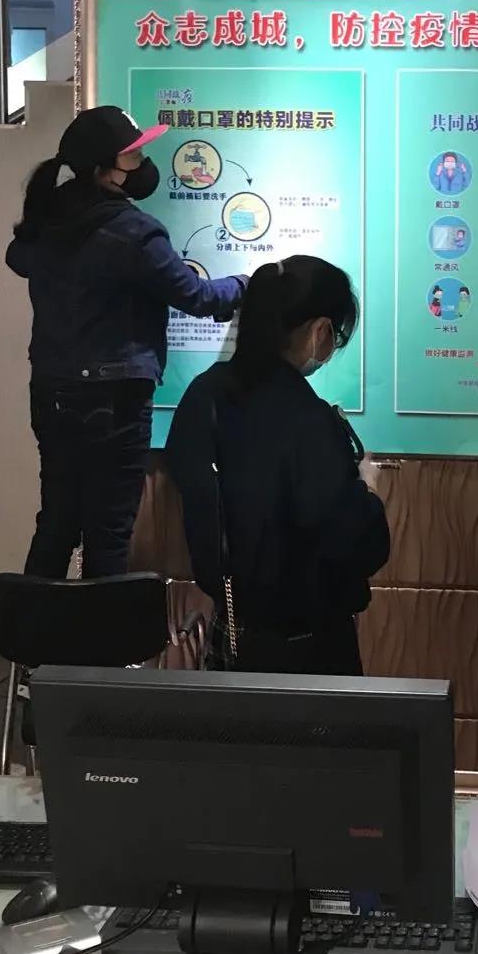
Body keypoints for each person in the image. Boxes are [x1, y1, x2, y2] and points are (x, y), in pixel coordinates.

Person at [6, 106, 247, 580]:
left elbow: (18, 258)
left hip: (52, 394)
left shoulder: (51, 221)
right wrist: (245, 283)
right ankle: (99, 632)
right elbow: (196, 296)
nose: (143, 164)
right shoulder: (133, 233)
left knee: (56, 523)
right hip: (114, 401)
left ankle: (29, 628)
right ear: (104, 170)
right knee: (109, 534)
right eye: (132, 156)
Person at [166, 256, 389, 675]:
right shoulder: (308, 419)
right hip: (309, 648)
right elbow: (355, 545)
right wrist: (367, 489)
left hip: (230, 629)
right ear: (320, 331)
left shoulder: (203, 395)